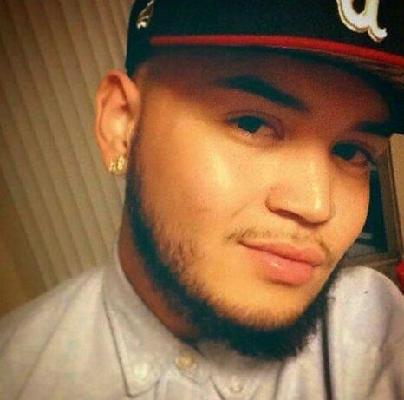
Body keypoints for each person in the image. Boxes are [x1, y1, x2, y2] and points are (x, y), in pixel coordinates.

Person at [1, 1, 403, 399]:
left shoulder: (376, 329)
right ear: (121, 124)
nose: (317, 205)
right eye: (252, 124)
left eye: (352, 152)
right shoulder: (17, 374)